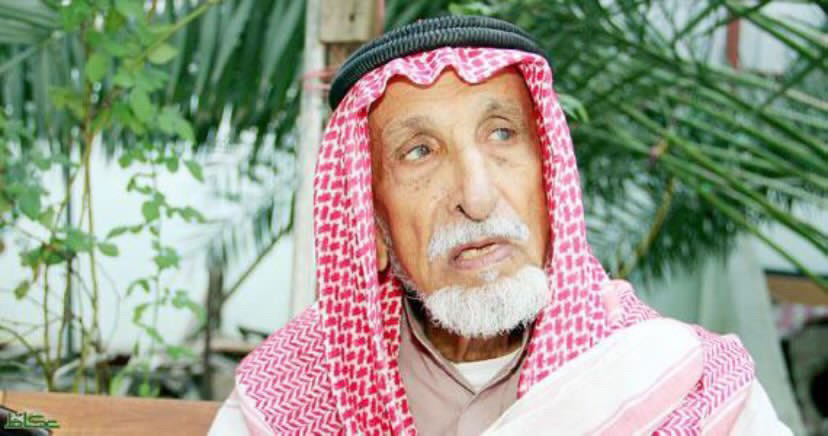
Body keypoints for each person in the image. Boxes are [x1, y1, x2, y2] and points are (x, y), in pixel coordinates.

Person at [209, 16, 791, 435]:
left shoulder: (692, 390)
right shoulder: (289, 395)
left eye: (502, 135)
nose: (477, 197)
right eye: (419, 151)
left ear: (551, 182)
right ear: (373, 227)